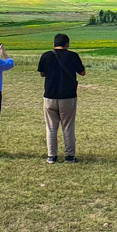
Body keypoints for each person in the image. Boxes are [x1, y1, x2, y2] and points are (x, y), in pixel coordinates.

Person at [37, 33, 86, 164]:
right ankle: (70, 156)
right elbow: (82, 72)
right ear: (67, 44)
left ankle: (51, 156)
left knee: (51, 127)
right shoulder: (72, 56)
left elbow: (42, 74)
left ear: (54, 44)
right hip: (68, 96)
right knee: (68, 126)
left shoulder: (46, 56)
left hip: (49, 96)